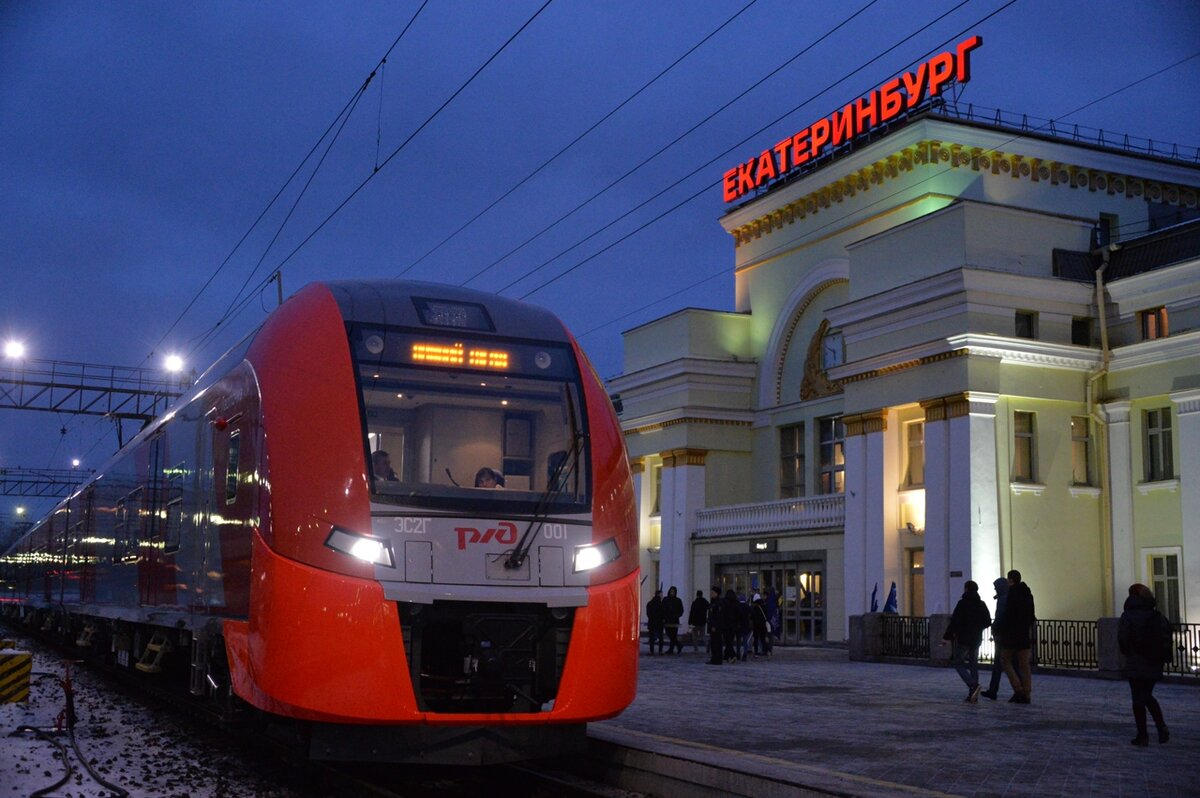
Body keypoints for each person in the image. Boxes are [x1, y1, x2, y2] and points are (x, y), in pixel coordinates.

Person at [1118, 583, 1171, 746]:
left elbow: (1123, 638)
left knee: (1138, 698)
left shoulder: (1128, 615)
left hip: (1136, 660)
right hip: (1154, 661)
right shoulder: (1157, 615)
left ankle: (1143, 735)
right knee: (1147, 695)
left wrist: (1129, 653)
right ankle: (1161, 727)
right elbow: (1166, 637)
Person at [942, 580, 992, 702]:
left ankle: (972, 685)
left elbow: (955, 621)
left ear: (966, 589)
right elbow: (987, 621)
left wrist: (947, 637)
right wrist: (978, 627)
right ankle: (973, 693)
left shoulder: (962, 604)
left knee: (958, 663)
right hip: (976, 638)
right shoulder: (981, 604)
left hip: (964, 638)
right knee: (973, 664)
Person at [996, 569, 1035, 704]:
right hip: (1024, 634)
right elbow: (1031, 615)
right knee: (1024, 665)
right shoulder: (1028, 594)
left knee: (1005, 660)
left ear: (1010, 580)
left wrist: (1002, 630)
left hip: (1012, 635)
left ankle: (1018, 689)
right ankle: (1027, 693)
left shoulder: (1012, 594)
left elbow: (1009, 615)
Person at [980, 576, 1009, 701]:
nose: (995, 590)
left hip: (1002, 635)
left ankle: (994, 690)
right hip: (1005, 634)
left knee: (1001, 664)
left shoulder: (1003, 599)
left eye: (996, 588)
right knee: (1004, 664)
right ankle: (993, 689)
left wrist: (995, 628)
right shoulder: (1007, 598)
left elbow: (1000, 616)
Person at [662, 586, 685, 655]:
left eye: (673, 592)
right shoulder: (666, 599)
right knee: (669, 634)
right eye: (671, 591)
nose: (672, 593)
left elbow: (681, 610)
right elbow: (662, 609)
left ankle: (671, 649)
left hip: (675, 620)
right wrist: (664, 617)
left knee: (673, 635)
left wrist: (677, 615)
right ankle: (678, 645)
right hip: (667, 620)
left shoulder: (678, 600)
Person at [706, 587, 725, 665]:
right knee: (713, 643)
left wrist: (715, 626)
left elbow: (718, 616)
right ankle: (714, 658)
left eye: (713, 593)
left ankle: (717, 659)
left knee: (717, 643)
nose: (711, 594)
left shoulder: (718, 603)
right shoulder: (713, 602)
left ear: (717, 593)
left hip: (716, 627)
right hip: (712, 626)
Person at [645, 588, 664, 655]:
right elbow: (663, 613)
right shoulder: (661, 604)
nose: (662, 596)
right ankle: (660, 651)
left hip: (652, 622)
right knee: (660, 637)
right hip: (659, 622)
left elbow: (648, 614)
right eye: (661, 594)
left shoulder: (650, 603)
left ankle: (651, 651)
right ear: (659, 595)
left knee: (651, 637)